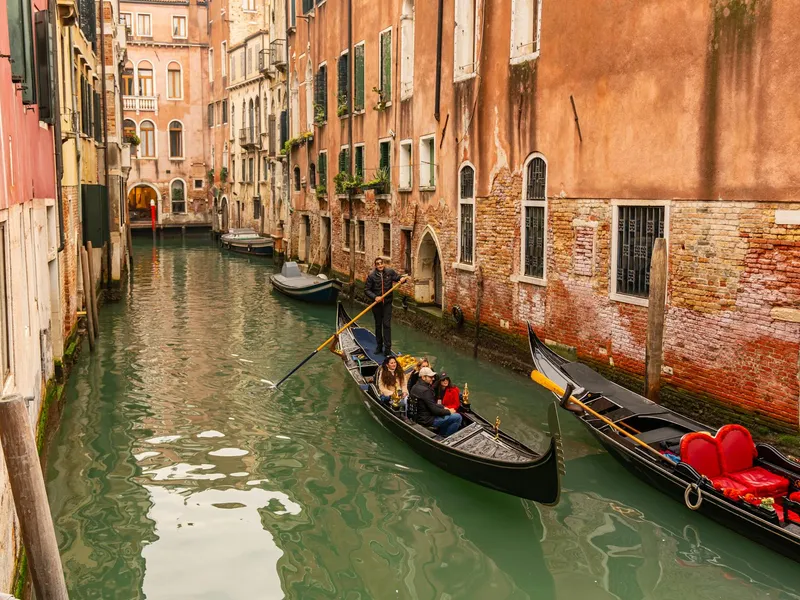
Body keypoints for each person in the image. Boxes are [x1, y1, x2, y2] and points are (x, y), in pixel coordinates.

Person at [364, 257, 409, 355]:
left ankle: (387, 349)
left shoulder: (390, 272)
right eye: (378, 264)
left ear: (384, 264)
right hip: (376, 305)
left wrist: (402, 279)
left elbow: (398, 278)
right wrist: (375, 297)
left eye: (381, 263)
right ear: (375, 265)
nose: (380, 265)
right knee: (378, 325)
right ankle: (379, 346)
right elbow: (366, 290)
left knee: (387, 325)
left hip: (387, 304)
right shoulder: (371, 276)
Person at [410, 367, 462, 437]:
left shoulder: (415, 387)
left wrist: (444, 407)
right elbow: (435, 410)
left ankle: (441, 433)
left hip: (418, 417)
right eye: (430, 377)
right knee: (458, 417)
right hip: (428, 420)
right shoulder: (426, 391)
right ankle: (445, 437)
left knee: (449, 416)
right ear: (423, 377)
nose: (433, 379)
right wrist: (449, 411)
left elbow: (431, 405)